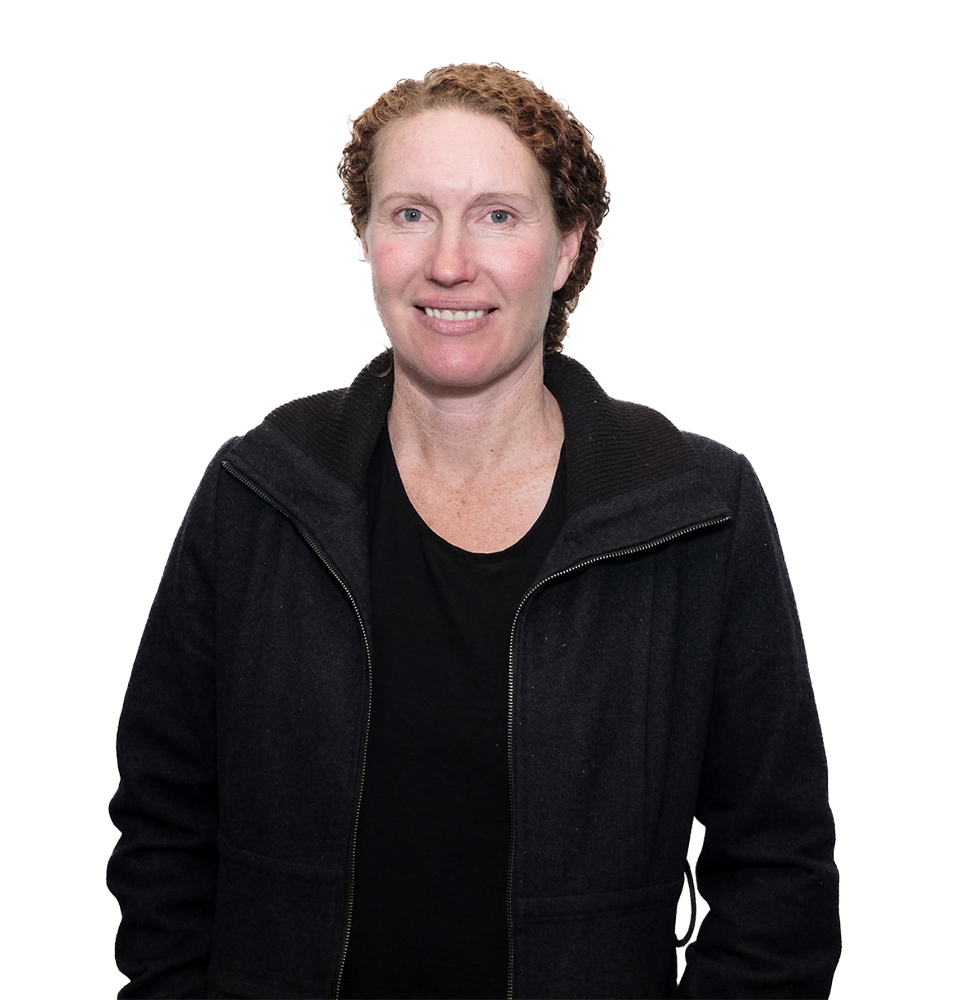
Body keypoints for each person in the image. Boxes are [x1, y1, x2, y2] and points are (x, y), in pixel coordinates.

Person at [107, 61, 841, 998]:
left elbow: (780, 870)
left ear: (571, 244)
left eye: (499, 214)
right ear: (364, 241)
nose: (450, 261)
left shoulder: (698, 510)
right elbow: (163, 814)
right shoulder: (262, 486)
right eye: (411, 212)